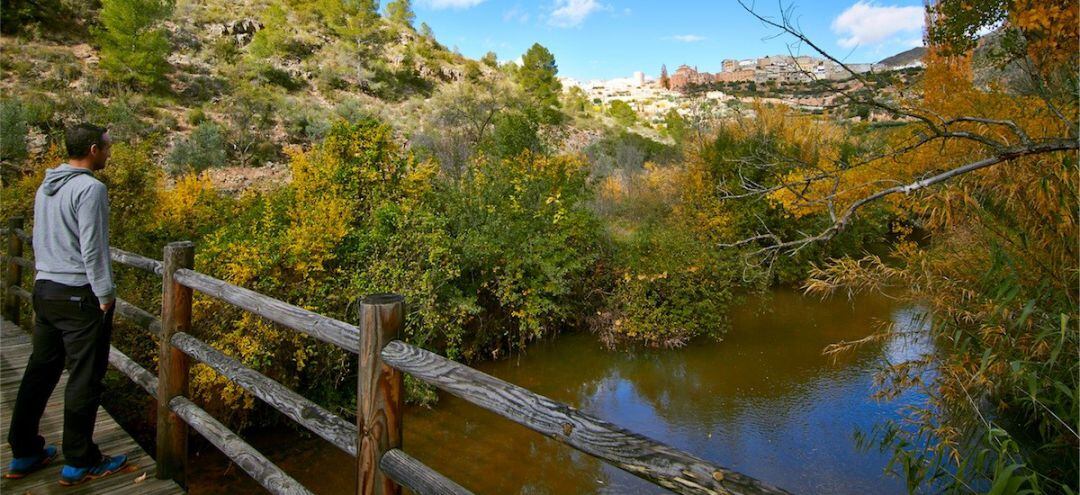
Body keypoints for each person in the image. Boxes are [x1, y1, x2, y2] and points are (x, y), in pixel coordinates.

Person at [4, 123, 128, 485]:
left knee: (39, 372)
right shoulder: (90, 189)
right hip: (78, 294)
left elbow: (43, 237)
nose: (109, 152)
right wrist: (105, 294)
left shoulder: (47, 186)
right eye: (106, 147)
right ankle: (79, 459)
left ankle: (24, 450)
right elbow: (92, 247)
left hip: (46, 289)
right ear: (93, 149)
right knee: (85, 377)